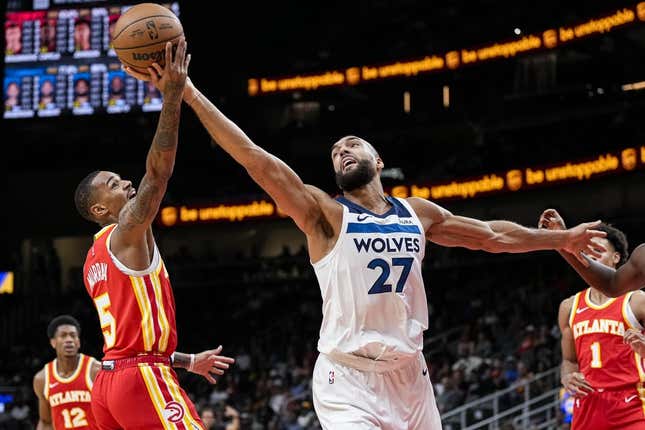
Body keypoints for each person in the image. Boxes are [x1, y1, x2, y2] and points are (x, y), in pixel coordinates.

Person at [127, 59, 607, 427]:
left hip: (410, 374)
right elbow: (255, 159)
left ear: (378, 161)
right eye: (336, 150)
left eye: (353, 143)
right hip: (347, 378)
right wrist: (187, 93)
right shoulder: (326, 216)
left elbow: (492, 236)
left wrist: (561, 238)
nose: (342, 149)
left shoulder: (417, 212)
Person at [75, 39, 235, 429]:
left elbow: (128, 340)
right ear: (100, 210)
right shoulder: (128, 232)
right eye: (114, 184)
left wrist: (185, 361)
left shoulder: (92, 259)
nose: (126, 182)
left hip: (109, 382)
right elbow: (158, 172)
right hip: (140, 380)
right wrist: (173, 96)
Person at [544, 215, 645, 429]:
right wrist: (568, 376)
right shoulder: (569, 307)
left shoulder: (637, 301)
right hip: (588, 405)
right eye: (587, 251)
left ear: (616, 257)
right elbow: (570, 361)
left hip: (632, 403)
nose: (591, 256)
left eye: (598, 251)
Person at [32, 315, 100, 430]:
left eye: (73, 336)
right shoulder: (42, 379)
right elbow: (46, 422)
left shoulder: (96, 370)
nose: (69, 340)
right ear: (53, 342)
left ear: (78, 342)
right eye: (63, 336)